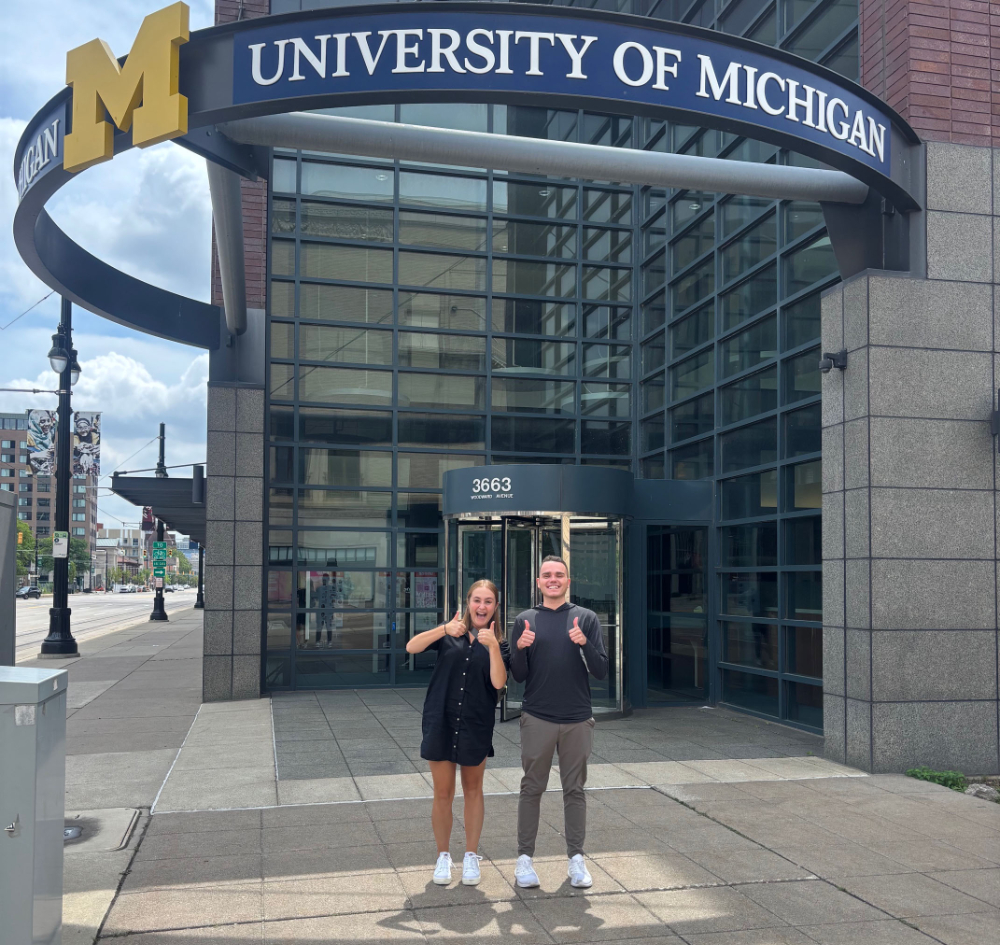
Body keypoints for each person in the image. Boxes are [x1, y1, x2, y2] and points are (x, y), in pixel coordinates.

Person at [509, 555, 608, 890]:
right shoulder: (524, 620)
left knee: (575, 790)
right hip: (537, 716)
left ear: (568, 581)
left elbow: (601, 670)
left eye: (559, 575)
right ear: (538, 582)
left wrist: (585, 644)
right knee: (531, 788)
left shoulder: (586, 618)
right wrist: (519, 649)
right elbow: (518, 676)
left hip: (578, 718)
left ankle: (576, 860)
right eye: (546, 575)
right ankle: (524, 860)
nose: (553, 579)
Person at [406, 580, 510, 887]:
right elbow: (412, 647)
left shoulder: (500, 644)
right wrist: (443, 629)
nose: (481, 606)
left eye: (488, 601)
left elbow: (498, 682)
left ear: (495, 607)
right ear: (468, 603)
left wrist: (491, 646)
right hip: (441, 720)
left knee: (473, 790)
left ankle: (470, 857)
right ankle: (442, 857)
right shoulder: (450, 634)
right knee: (442, 793)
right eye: (476, 600)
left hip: (476, 724)